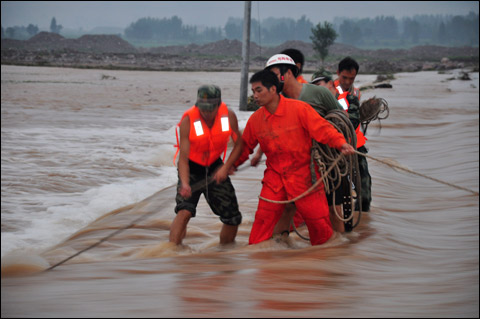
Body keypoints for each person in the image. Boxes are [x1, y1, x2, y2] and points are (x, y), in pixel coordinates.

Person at [234, 69, 355, 246]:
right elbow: (244, 148)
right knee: (262, 220)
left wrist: (341, 143)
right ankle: (261, 262)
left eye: (258, 91)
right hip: (274, 177)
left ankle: (325, 262)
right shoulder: (256, 119)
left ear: (273, 89)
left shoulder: (299, 109)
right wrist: (228, 166)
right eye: (253, 92)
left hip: (304, 176)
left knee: (319, 225)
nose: (255, 96)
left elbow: (323, 129)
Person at [170, 85, 243, 245]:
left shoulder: (228, 116)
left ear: (218, 105)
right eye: (203, 109)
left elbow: (239, 144)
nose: (206, 113)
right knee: (184, 211)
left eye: (210, 109)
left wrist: (226, 167)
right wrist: (185, 183)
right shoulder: (188, 120)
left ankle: (225, 253)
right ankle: (171, 252)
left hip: (215, 166)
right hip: (191, 168)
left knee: (233, 217)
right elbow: (183, 158)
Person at [335, 57, 371, 212]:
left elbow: (356, 120)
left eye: (352, 78)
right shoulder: (329, 91)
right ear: (338, 73)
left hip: (356, 146)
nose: (348, 82)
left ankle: (360, 221)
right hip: (335, 146)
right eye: (344, 78)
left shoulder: (356, 93)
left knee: (364, 191)